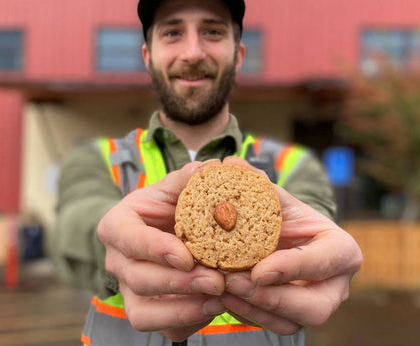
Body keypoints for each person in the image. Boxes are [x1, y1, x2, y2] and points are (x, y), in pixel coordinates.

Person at [50, 0, 363, 345]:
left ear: (239, 54)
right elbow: (74, 226)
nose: (193, 52)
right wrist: (116, 246)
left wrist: (318, 265)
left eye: (212, 31)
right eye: (172, 33)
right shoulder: (97, 158)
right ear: (147, 56)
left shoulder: (292, 166)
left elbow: (313, 229)